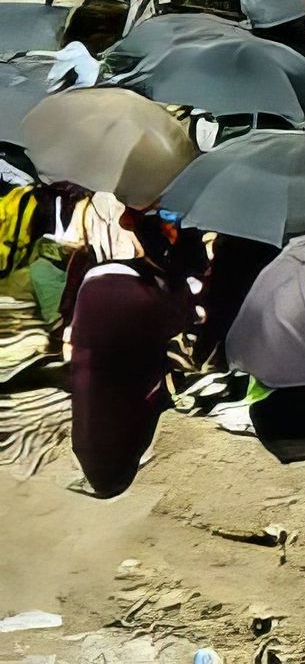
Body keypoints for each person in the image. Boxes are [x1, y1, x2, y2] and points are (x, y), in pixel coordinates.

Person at [67, 205, 190, 497]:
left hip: (94, 362)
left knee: (95, 394)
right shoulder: (165, 285)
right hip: (132, 372)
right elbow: (177, 327)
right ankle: (111, 473)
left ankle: (105, 475)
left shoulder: (96, 276)